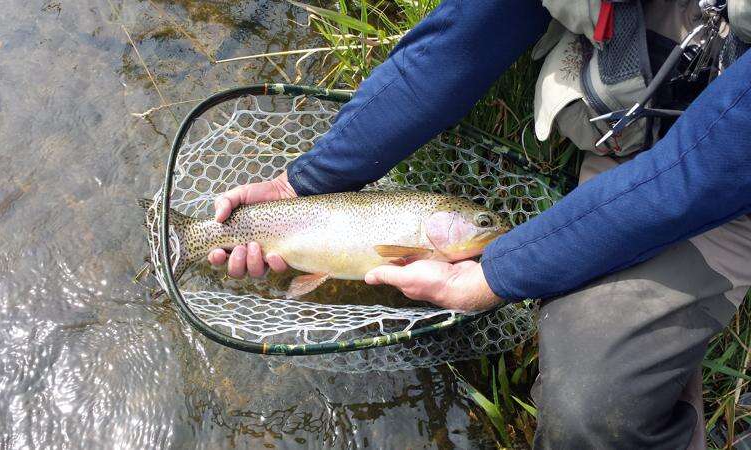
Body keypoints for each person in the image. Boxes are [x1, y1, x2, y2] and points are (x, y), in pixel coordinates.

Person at [208, 1, 751, 447]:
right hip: (638, 129)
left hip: (724, 192)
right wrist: (302, 183)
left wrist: (496, 273)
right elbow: (462, 38)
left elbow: (693, 176)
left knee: (589, 412)